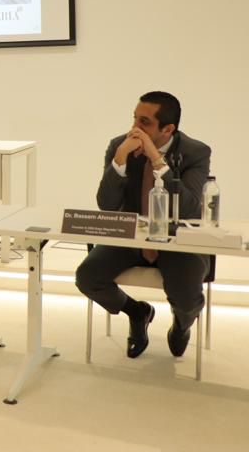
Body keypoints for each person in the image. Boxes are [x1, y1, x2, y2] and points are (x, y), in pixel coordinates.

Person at [76, 91, 211, 360]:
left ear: (168, 129)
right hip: (132, 236)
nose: (135, 128)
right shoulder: (121, 145)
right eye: (135, 118)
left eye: (145, 122)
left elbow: (189, 209)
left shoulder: (195, 152)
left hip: (177, 239)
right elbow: (107, 205)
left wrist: (158, 161)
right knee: (88, 277)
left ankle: (182, 324)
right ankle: (138, 312)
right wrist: (119, 160)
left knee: (186, 295)